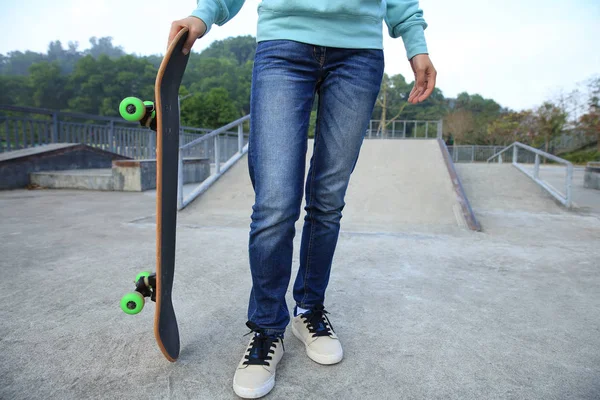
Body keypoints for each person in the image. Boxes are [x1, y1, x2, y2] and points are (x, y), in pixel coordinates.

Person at [169, 1, 436, 398]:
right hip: (284, 43)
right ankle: (266, 328)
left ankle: (308, 309)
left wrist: (417, 44)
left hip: (359, 52)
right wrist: (204, 14)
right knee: (275, 204)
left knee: (328, 199)